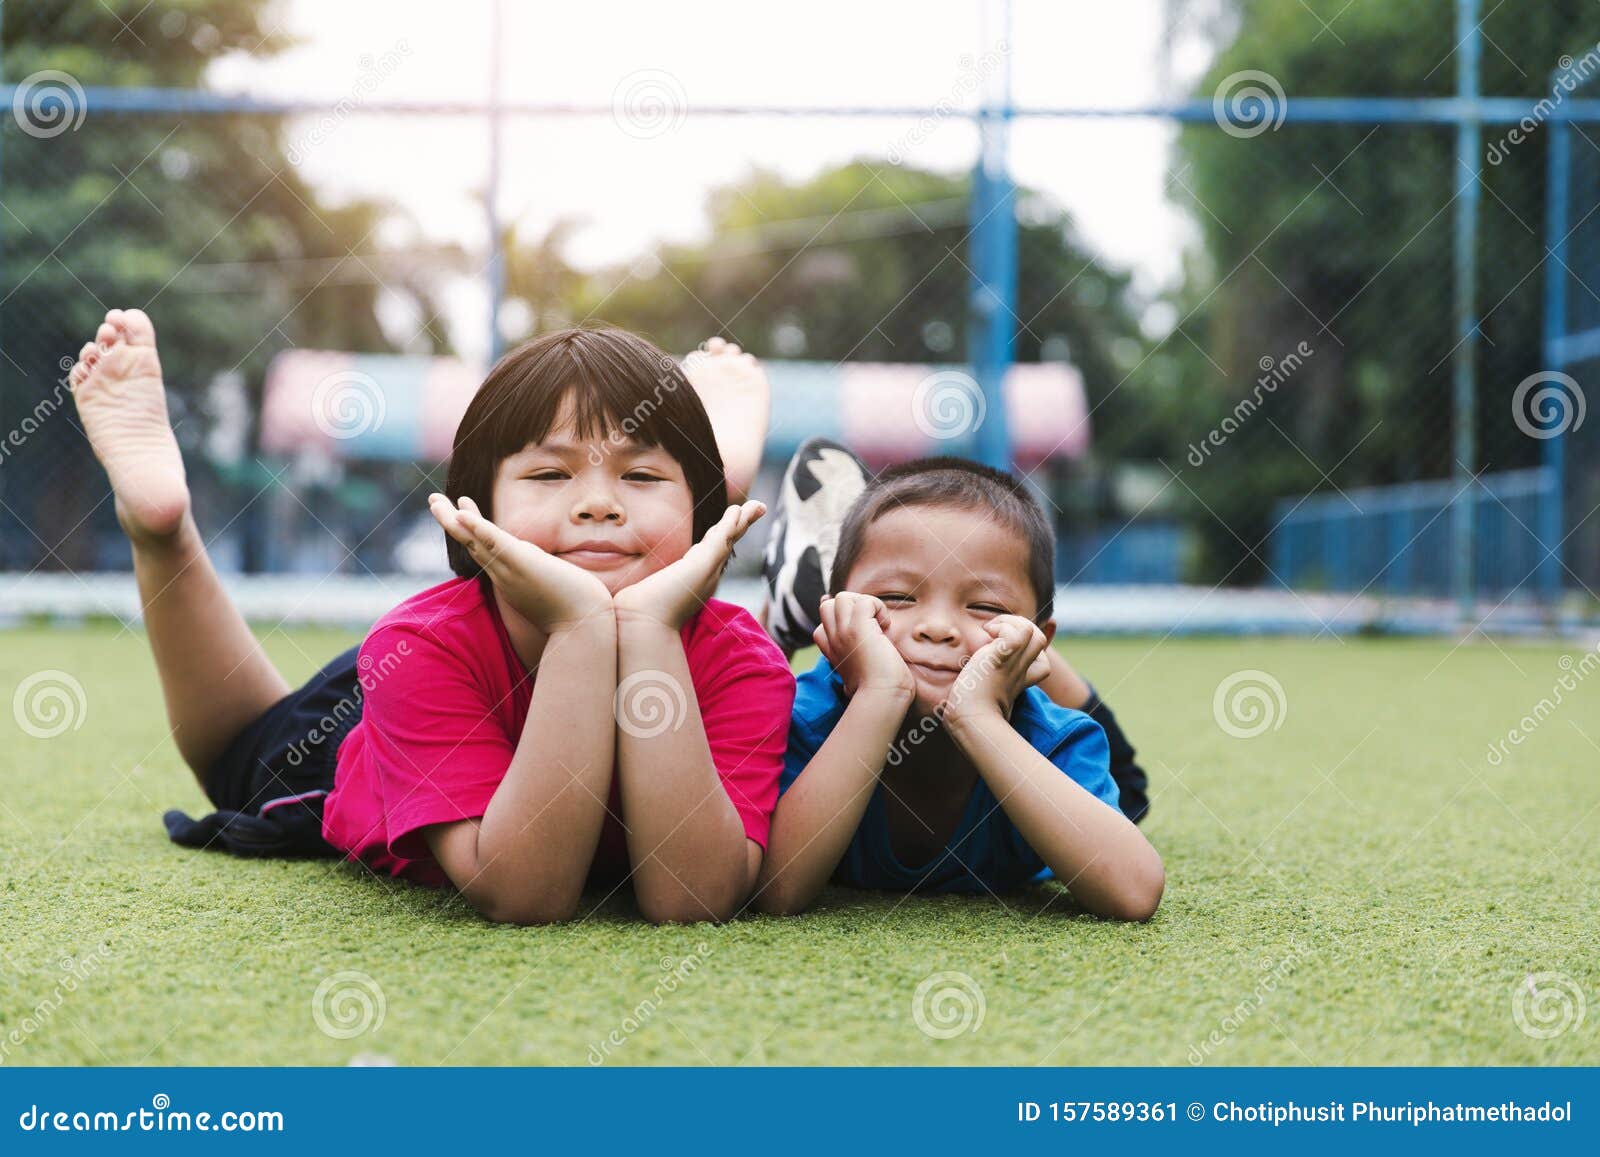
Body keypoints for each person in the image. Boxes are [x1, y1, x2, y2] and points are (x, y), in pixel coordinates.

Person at [66, 309, 793, 925]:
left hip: (526, 635)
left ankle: (712, 482)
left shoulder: (742, 661)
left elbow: (695, 893)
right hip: (402, 698)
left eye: (640, 474)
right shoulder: (418, 649)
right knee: (242, 758)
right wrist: (582, 628)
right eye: (549, 474)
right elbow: (525, 891)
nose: (597, 503)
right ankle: (162, 531)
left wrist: (648, 632)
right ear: (475, 512)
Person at [754, 442, 1162, 920]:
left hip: (1027, 705)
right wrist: (880, 695)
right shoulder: (803, 721)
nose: (938, 626)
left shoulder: (1057, 738)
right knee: (759, 693)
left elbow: (1133, 892)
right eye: (898, 595)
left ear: (1041, 640)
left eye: (985, 605)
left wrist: (977, 716)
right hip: (836, 651)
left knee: (1127, 792)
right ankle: (785, 621)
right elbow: (775, 892)